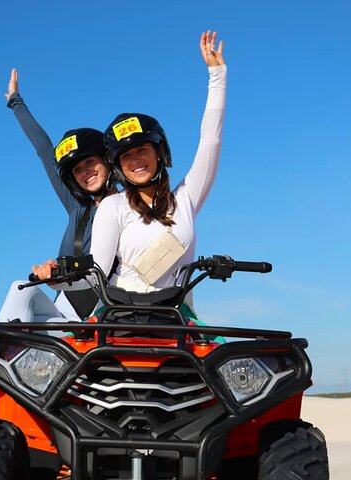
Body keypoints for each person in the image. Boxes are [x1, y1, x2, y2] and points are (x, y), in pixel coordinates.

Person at [52, 30, 227, 327]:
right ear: (118, 165)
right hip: (117, 316)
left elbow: (210, 141)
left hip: (175, 316)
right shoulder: (114, 206)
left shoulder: (185, 198)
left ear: (159, 152)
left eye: (142, 150)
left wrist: (217, 75)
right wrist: (55, 278)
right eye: (125, 156)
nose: (135, 160)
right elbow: (97, 271)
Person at [0, 70, 117, 324]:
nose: (86, 172)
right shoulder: (77, 206)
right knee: (20, 289)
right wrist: (16, 101)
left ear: (107, 161)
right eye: (78, 169)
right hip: (67, 311)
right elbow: (44, 151)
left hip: (110, 313)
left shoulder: (131, 207)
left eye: (91, 162)